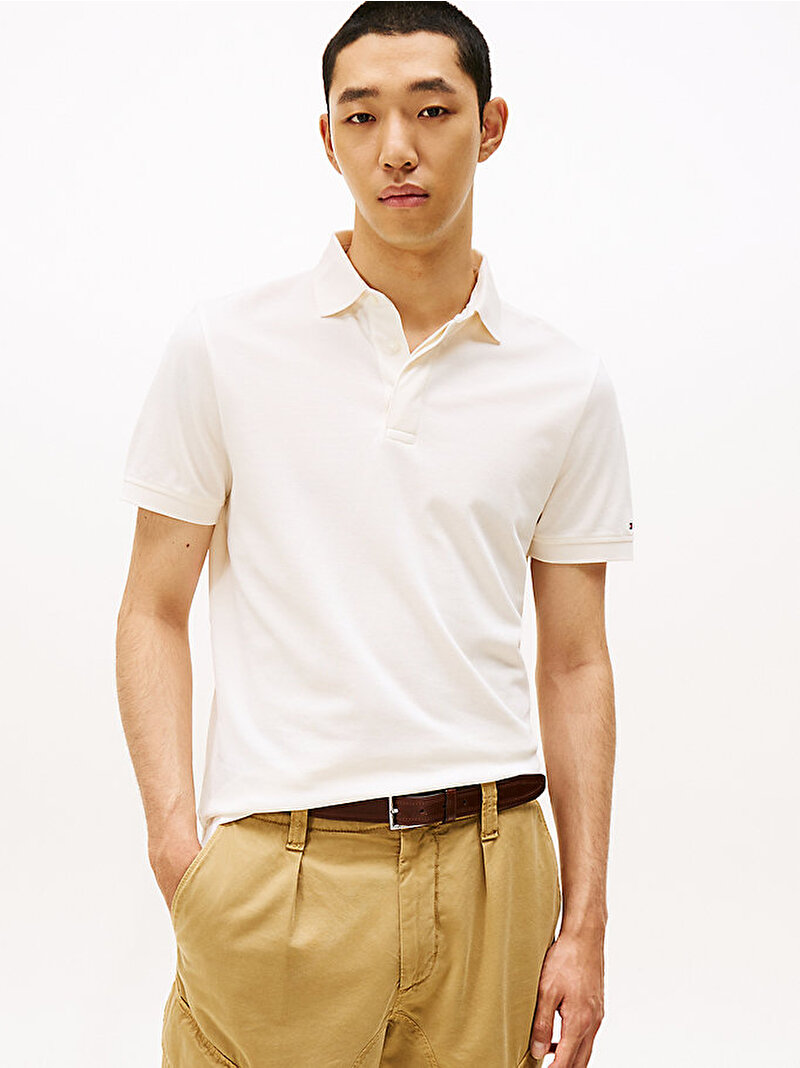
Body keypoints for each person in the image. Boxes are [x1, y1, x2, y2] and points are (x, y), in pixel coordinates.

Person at [116, 3, 634, 1066]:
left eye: (431, 110)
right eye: (361, 116)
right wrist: (178, 848)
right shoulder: (224, 347)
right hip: (280, 872)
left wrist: (583, 922)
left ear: (490, 126)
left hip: (494, 870)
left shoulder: (564, 383)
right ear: (328, 138)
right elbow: (152, 608)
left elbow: (576, 659)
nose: (396, 147)